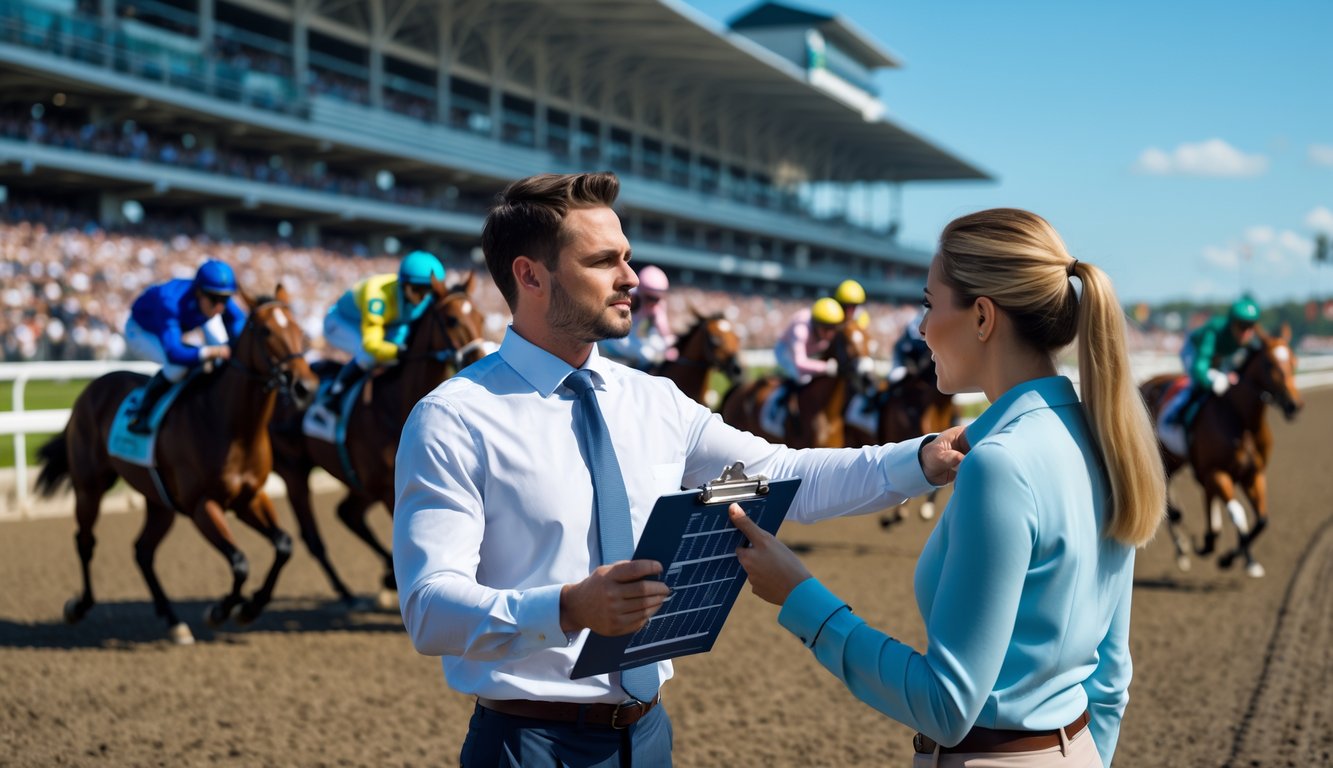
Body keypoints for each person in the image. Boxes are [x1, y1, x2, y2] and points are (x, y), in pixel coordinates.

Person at [393, 172, 966, 768]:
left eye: (628, 257)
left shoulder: (657, 403)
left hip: (649, 737)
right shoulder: (453, 419)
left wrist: (922, 459)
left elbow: (784, 476)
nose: (631, 278)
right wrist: (567, 607)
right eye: (602, 261)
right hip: (527, 744)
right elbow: (430, 610)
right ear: (530, 275)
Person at [730, 208, 1165, 768]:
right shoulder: (1102, 433)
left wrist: (800, 596)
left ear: (983, 317)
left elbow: (946, 704)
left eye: (929, 305)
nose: (920, 326)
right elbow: (1111, 678)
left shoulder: (1000, 465)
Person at [123, 259, 246, 434]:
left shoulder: (211, 298)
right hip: (141, 330)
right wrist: (212, 351)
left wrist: (230, 346)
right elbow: (174, 353)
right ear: (199, 292)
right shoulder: (170, 302)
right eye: (214, 299)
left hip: (183, 321)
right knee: (177, 368)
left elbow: (239, 323)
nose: (220, 306)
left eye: (225, 299)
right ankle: (141, 414)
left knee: (221, 355)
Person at [317, 249, 446, 408]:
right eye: (418, 291)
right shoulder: (377, 297)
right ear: (404, 285)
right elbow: (371, 344)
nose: (423, 298)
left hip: (382, 324)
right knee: (369, 356)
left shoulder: (423, 298)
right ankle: (334, 396)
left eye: (429, 292)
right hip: (340, 322)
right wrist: (398, 351)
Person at [1156, 297, 1261, 457]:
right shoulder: (1214, 330)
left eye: (1250, 326)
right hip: (1194, 352)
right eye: (1241, 326)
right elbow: (1200, 367)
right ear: (1232, 323)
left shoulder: (1250, 339)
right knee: (1197, 384)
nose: (1246, 332)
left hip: (1217, 358)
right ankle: (1172, 415)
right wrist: (1212, 380)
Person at [767, 297, 844, 429]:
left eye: (833, 329)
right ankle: (781, 407)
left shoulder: (824, 329)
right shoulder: (800, 331)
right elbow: (800, 363)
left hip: (808, 351)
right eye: (826, 328)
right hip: (786, 351)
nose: (830, 334)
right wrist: (826, 367)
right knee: (802, 377)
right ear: (815, 324)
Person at [598, 264, 676, 369]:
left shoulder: (658, 305)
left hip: (634, 337)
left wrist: (670, 346)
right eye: (650, 298)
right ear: (641, 292)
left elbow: (663, 329)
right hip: (613, 337)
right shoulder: (627, 296)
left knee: (658, 346)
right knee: (646, 354)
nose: (653, 302)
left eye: (657, 298)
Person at [887, 307, 930, 384]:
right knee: (899, 374)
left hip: (921, 353)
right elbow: (909, 346)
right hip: (907, 353)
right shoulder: (917, 321)